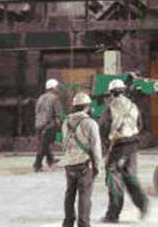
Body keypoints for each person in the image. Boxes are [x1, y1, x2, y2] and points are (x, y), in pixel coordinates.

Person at [99, 78, 149, 223]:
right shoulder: (133, 106)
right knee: (131, 177)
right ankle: (143, 205)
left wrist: (105, 144)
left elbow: (103, 128)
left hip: (118, 147)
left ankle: (113, 215)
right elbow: (140, 125)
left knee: (114, 181)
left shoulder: (110, 107)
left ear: (111, 93)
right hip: (132, 146)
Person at [62, 92, 103, 227]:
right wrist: (98, 166)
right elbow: (96, 146)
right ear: (87, 107)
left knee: (69, 194)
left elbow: (64, 144)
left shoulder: (66, 121)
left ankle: (68, 223)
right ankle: (83, 224)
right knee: (84, 196)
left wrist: (68, 158)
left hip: (69, 163)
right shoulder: (90, 123)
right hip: (84, 165)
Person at [34, 78, 63, 172]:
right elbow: (57, 114)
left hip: (38, 124)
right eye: (57, 87)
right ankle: (37, 165)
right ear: (53, 88)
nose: (58, 89)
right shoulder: (54, 98)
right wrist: (59, 126)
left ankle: (51, 161)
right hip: (48, 125)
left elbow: (37, 111)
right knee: (44, 145)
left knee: (43, 144)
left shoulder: (41, 97)